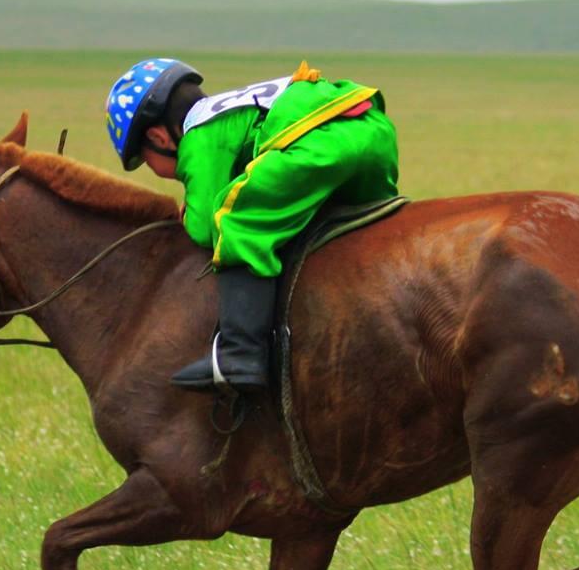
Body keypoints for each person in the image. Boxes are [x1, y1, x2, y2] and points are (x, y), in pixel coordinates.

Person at [104, 58, 400, 394]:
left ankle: (240, 353)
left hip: (321, 143)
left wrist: (189, 215)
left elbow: (204, 225)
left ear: (159, 137)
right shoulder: (226, 111)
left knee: (234, 219)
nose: (152, 169)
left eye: (144, 159)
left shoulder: (199, 135)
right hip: (372, 130)